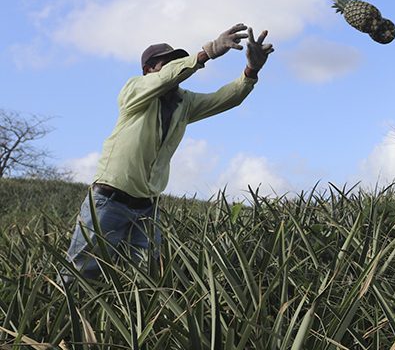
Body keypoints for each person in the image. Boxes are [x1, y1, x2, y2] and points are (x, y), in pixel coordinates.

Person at [64, 23, 274, 280]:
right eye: (167, 63)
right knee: (81, 274)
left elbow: (225, 98)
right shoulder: (134, 91)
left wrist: (251, 71)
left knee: (147, 278)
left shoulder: (184, 102)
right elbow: (166, 78)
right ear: (148, 70)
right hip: (109, 201)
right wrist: (206, 53)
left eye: (177, 61)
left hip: (146, 209)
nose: (175, 69)